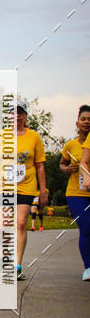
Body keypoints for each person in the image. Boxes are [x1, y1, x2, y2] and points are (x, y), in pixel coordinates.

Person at [12, 101, 47, 281]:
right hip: (5, 185)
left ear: (25, 115)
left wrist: (43, 191)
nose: (17, 115)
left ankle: (17, 265)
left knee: (20, 223)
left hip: (27, 185)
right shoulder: (0, 136)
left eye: (21, 112)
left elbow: (40, 165)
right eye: (14, 112)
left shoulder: (34, 136)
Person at [60, 104, 90, 280]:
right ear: (77, 123)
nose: (86, 122)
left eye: (89, 120)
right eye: (83, 119)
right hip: (76, 193)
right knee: (86, 227)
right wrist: (66, 169)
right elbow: (62, 164)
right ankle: (88, 267)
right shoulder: (70, 145)